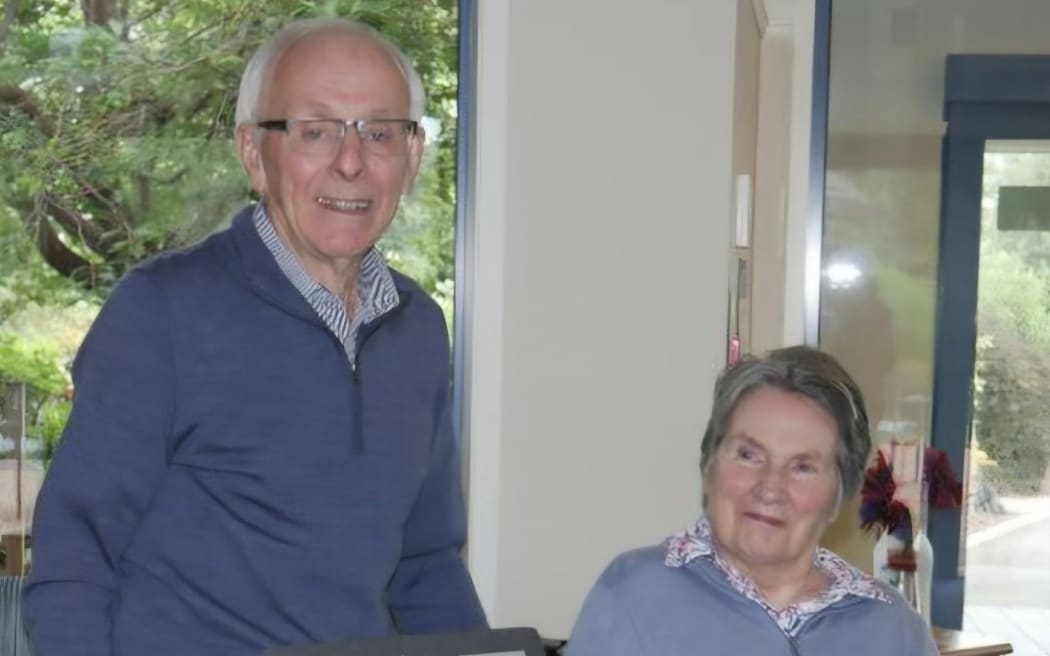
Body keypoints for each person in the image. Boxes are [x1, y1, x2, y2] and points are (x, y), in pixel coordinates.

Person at [23, 17, 486, 656]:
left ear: (411, 158)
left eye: (379, 133)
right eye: (315, 132)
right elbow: (74, 555)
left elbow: (427, 565)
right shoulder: (163, 310)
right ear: (252, 153)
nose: (350, 162)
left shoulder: (418, 329)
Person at [564, 346, 938, 655]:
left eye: (803, 467)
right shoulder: (635, 594)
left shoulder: (893, 629)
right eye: (748, 455)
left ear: (839, 496)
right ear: (708, 465)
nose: (770, 487)